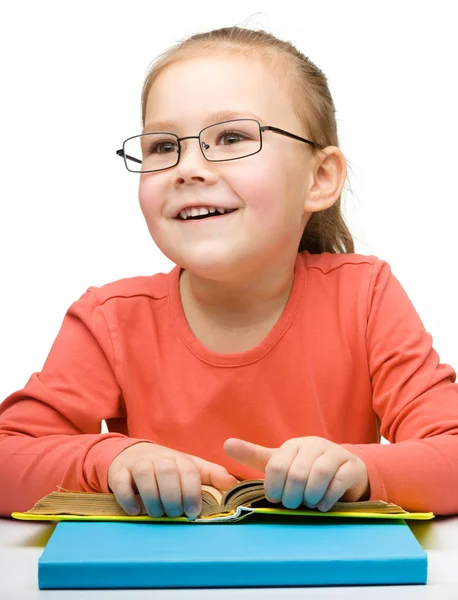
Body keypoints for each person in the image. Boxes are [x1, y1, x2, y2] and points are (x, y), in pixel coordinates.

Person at [1, 25, 458, 521]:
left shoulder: (365, 295)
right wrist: (115, 459)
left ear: (320, 178)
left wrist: (359, 470)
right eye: (161, 146)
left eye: (233, 137)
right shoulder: (109, 319)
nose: (188, 168)